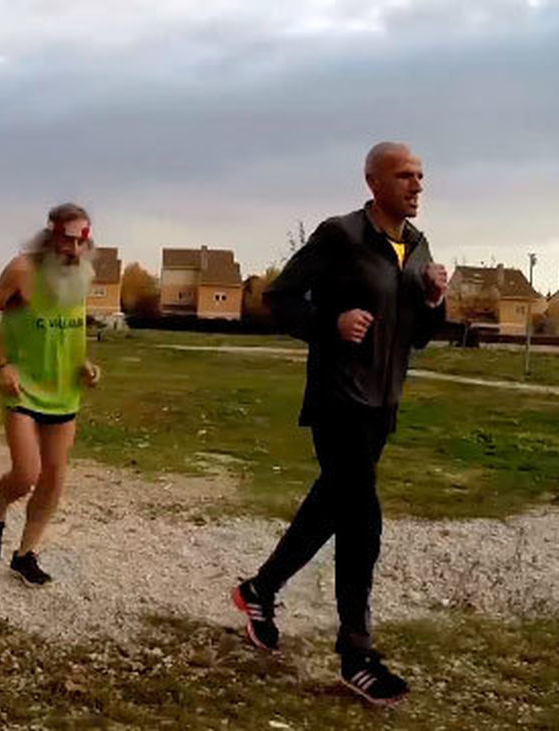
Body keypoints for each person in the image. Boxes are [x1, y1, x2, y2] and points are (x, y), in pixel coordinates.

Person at [231, 142, 448, 706]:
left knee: (332, 505)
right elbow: (278, 297)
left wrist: (434, 299)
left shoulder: (417, 246)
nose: (417, 185)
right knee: (362, 520)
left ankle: (260, 589)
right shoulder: (341, 235)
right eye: (405, 176)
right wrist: (331, 321)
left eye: (421, 176)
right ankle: (357, 654)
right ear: (373, 180)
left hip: (383, 404)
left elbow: (420, 335)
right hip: (337, 399)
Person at [0, 203, 101, 585]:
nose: (74, 250)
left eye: (82, 242)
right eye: (67, 240)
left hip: (65, 393)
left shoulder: (83, 274)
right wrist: (1, 365)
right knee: (27, 474)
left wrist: (85, 365)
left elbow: (72, 331)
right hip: (23, 389)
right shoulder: (22, 270)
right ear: (50, 235)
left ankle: (26, 554)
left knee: (54, 477)